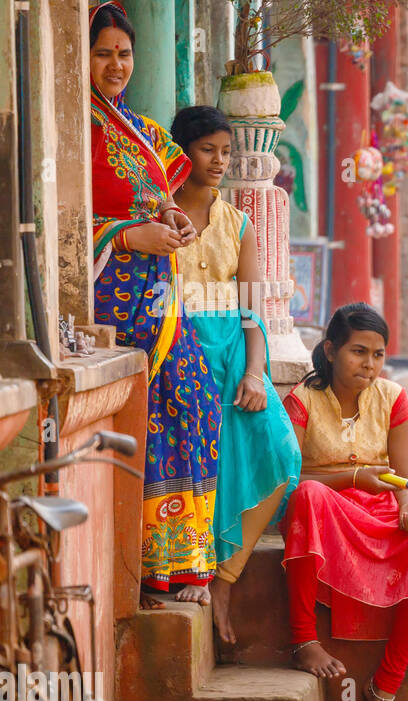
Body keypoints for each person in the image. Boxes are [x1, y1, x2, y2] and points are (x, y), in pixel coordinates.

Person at [89, 1, 221, 609]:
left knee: (194, 393)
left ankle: (185, 558)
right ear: (83, 58)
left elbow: (157, 194)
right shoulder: (74, 128)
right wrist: (125, 235)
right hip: (112, 297)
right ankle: (151, 565)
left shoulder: (135, 129)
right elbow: (58, 220)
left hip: (158, 290)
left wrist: (166, 217)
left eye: (124, 53)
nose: (116, 64)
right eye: (103, 53)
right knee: (160, 404)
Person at [280, 303, 408, 701]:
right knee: (307, 495)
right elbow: (288, 479)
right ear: (330, 350)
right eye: (358, 352)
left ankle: (386, 689)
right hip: (324, 509)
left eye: (378, 354)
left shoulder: (393, 397)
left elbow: (404, 475)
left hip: (378, 509)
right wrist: (354, 476)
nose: (370, 364)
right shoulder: (301, 400)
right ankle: (305, 642)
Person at [171, 105, 302, 646]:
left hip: (233, 355)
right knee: (201, 465)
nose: (219, 161)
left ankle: (225, 577)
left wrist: (255, 373)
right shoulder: (157, 215)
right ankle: (195, 572)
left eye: (225, 151)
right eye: (208, 150)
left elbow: (252, 311)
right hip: (178, 353)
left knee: (280, 453)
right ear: (182, 153)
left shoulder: (238, 222)